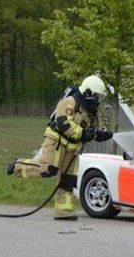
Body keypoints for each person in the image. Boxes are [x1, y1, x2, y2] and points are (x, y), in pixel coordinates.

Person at [7, 75, 113, 220]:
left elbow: (92, 130)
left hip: (72, 147)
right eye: (97, 97)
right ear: (89, 93)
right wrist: (83, 133)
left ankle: (64, 211)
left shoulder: (91, 111)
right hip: (57, 140)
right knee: (48, 169)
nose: (98, 101)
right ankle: (18, 166)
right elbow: (64, 124)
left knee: (68, 179)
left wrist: (100, 134)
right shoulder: (70, 102)